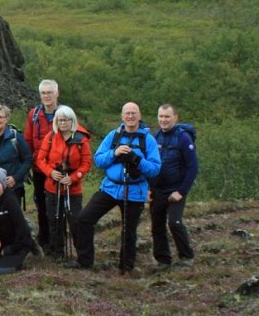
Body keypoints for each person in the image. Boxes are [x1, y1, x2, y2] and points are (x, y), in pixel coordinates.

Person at [69, 103, 160, 274]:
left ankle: (126, 268)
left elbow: (155, 169)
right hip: (110, 188)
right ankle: (85, 261)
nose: (130, 117)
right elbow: (99, 160)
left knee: (129, 231)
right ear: (122, 116)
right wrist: (115, 153)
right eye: (127, 113)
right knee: (84, 218)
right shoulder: (114, 136)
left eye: (133, 113)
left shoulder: (148, 140)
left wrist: (137, 160)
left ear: (139, 116)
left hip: (134, 191)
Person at [34, 105, 92, 260]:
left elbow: (86, 162)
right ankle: (56, 251)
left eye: (66, 119)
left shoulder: (81, 139)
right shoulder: (51, 137)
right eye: (60, 120)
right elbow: (40, 159)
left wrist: (73, 177)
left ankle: (82, 254)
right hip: (53, 186)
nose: (63, 123)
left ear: (72, 120)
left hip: (73, 188)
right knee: (54, 219)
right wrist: (50, 172)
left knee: (75, 220)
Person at [150, 104, 198, 269]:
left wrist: (181, 191)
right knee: (157, 226)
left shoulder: (183, 137)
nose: (163, 120)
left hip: (176, 189)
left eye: (167, 116)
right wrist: (149, 188)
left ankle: (186, 256)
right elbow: (151, 164)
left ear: (175, 118)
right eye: (161, 116)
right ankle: (163, 260)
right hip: (158, 190)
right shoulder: (155, 137)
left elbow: (193, 167)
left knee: (175, 223)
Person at [25, 79, 59, 252]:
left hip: (58, 170)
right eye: (43, 93)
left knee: (57, 205)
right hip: (39, 168)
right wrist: (26, 165)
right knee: (41, 204)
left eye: (49, 92)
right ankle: (44, 238)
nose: (46, 96)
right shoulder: (34, 114)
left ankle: (57, 239)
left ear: (56, 94)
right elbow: (28, 141)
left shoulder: (64, 114)